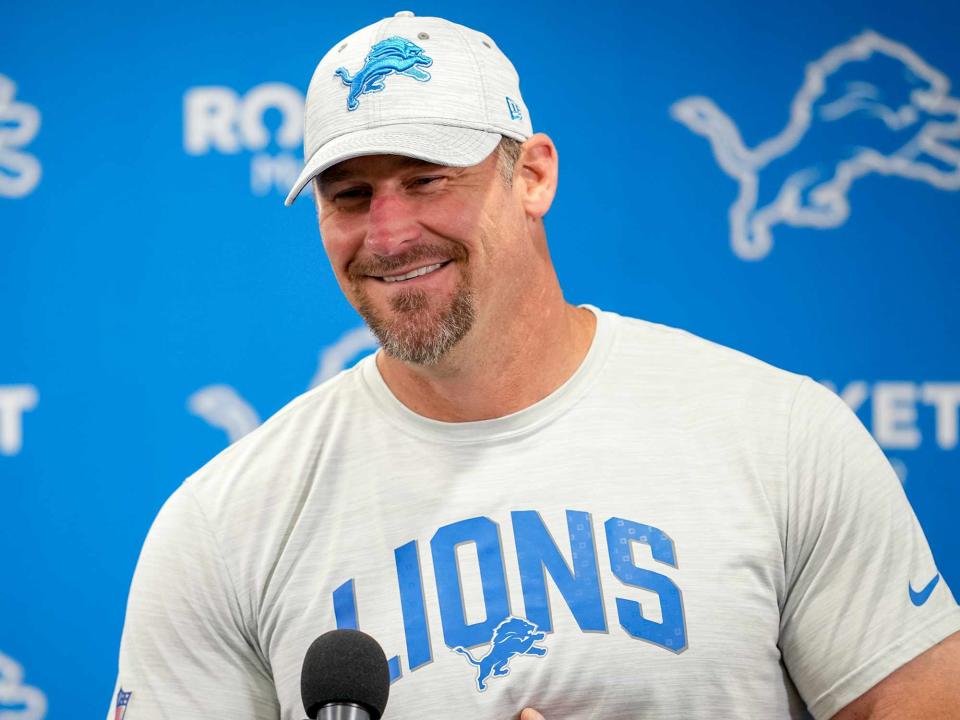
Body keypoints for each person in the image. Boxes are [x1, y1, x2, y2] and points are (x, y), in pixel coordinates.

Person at [108, 12, 960, 720]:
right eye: (351, 196)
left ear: (534, 176)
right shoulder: (224, 526)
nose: (390, 233)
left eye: (428, 178)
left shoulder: (778, 437)